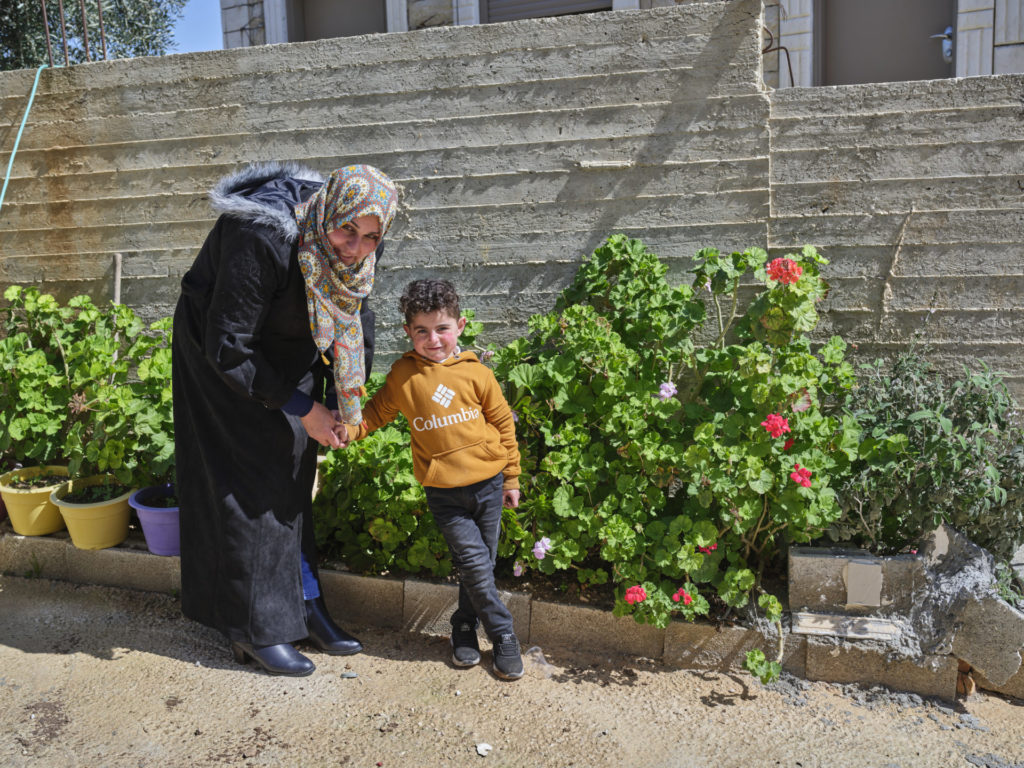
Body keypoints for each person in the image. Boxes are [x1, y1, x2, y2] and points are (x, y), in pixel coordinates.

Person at [171, 162, 398, 677]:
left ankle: (302, 605)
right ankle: (252, 629)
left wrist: (342, 401)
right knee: (250, 475)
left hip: (291, 342)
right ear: (329, 213)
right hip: (223, 350)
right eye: (348, 231)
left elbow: (355, 311)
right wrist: (301, 408)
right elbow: (229, 345)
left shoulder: (361, 236)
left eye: (370, 237)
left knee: (294, 468)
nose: (356, 247)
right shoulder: (260, 236)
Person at [337, 278, 525, 680]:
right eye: (421, 330)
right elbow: (374, 415)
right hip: (443, 492)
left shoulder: (478, 374)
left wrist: (511, 479)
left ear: (458, 326)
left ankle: (462, 626)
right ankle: (504, 633)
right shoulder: (404, 376)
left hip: (489, 484)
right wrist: (348, 432)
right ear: (408, 332)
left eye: (441, 328)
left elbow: (504, 425)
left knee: (481, 566)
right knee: (475, 563)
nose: (433, 339)